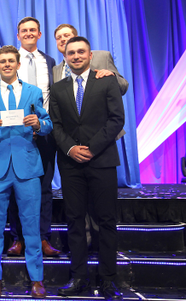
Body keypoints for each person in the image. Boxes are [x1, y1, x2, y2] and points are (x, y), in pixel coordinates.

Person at [49, 37, 124, 300]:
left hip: (102, 160)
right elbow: (56, 126)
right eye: (71, 53)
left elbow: (117, 119)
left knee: (106, 221)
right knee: (75, 221)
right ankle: (78, 277)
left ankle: (108, 280)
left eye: (81, 52)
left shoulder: (107, 80)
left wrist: (91, 147)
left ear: (90, 55)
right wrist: (70, 148)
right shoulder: (57, 88)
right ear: (65, 57)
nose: (76, 56)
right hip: (71, 164)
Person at [0, 45, 51, 298]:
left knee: (32, 225)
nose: (7, 65)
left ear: (18, 65)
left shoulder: (33, 92)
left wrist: (39, 124)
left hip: (28, 165)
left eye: (11, 61)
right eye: (3, 61)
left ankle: (36, 278)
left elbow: (48, 124)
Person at [8, 17, 60, 258]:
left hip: (44, 134)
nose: (28, 34)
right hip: (15, 134)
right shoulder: (9, 62)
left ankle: (43, 237)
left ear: (39, 34)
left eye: (32, 31)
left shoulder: (49, 62)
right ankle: (18, 238)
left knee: (44, 188)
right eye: (23, 31)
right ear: (18, 35)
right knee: (15, 187)